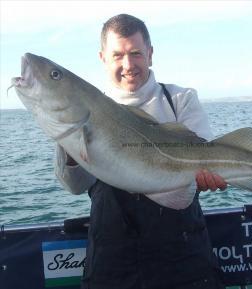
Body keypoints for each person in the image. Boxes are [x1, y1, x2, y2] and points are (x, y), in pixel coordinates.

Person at [55, 14, 227, 289]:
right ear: (103, 58)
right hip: (112, 259)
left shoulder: (180, 100)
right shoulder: (84, 111)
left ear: (150, 53)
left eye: (135, 53)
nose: (128, 64)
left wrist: (209, 176)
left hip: (183, 257)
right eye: (118, 55)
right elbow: (74, 185)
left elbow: (208, 160)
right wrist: (70, 143)